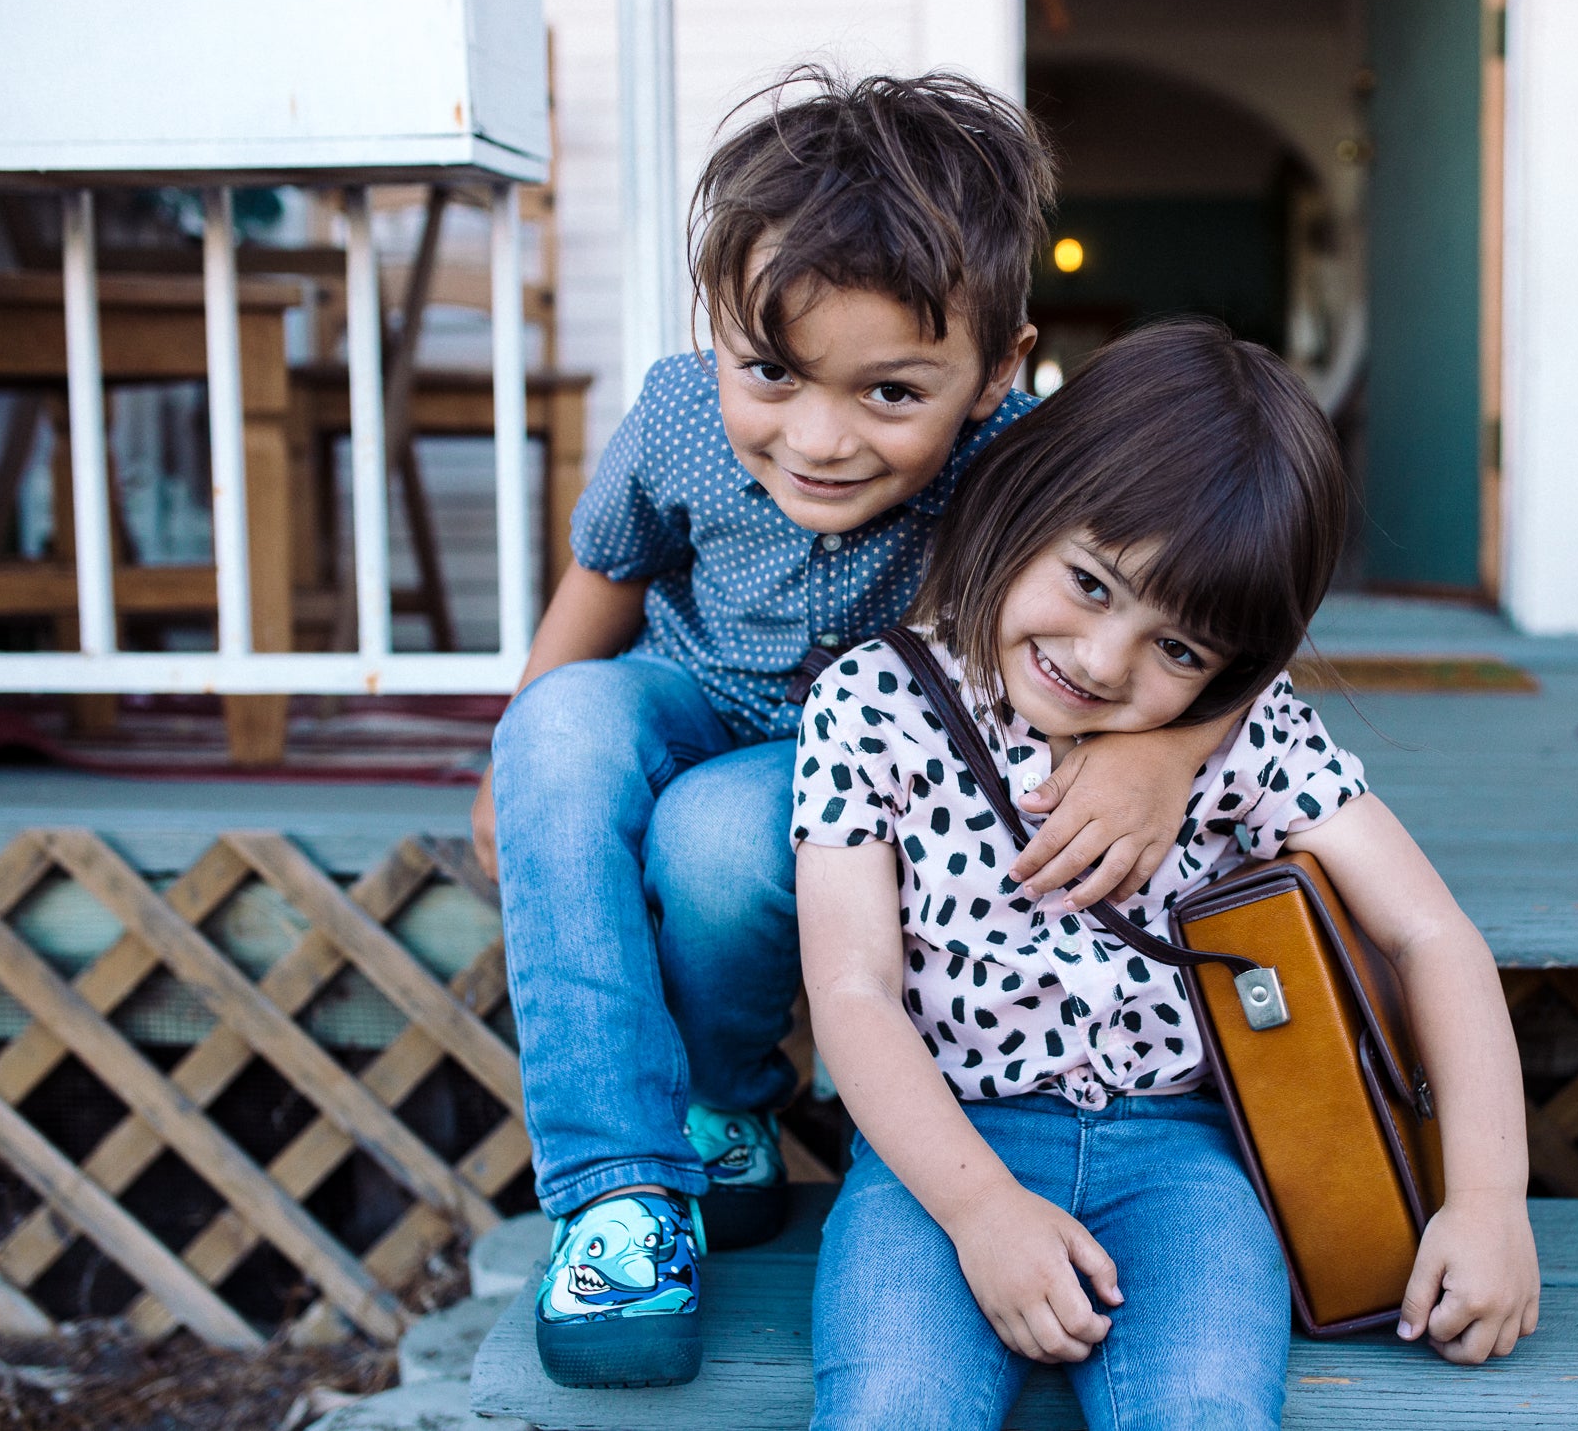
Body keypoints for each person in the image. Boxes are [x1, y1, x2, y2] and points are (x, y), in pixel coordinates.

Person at [480, 70, 1237, 1390]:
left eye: (890, 393)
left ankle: (723, 1106)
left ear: (999, 367)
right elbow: (609, 571)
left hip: (858, 770)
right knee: (560, 733)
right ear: (719, 326)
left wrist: (1162, 750)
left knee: (718, 837)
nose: (819, 440)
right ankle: (619, 1192)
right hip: (693, 692)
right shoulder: (676, 414)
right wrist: (520, 744)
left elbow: (1217, 603)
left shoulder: (1022, 458)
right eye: (771, 371)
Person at [793, 319, 1541, 1430]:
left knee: (1202, 1407)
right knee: (893, 1405)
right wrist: (982, 1207)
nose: (1103, 661)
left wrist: (1487, 1201)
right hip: (939, 1157)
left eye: (1180, 648)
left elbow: (1432, 934)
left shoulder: (1249, 737)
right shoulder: (872, 703)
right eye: (1090, 584)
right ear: (1024, 503)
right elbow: (849, 988)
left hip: (1181, 1158)